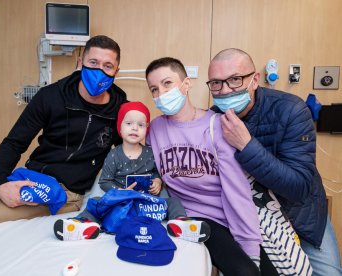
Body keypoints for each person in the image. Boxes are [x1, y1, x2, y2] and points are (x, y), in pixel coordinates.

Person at [0, 35, 127, 244]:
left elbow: (129, 154)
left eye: (107, 66)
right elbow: (14, 143)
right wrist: (0, 183)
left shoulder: (120, 111)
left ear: (116, 72)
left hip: (63, 195)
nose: (99, 72)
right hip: (30, 179)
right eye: (93, 63)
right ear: (80, 63)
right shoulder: (51, 96)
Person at [207, 48, 342, 275]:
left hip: (299, 212)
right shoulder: (213, 119)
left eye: (235, 80)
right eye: (216, 83)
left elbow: (298, 187)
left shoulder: (291, 110)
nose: (225, 90)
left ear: (255, 80)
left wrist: (246, 145)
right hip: (249, 215)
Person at [145, 57, 263, 275]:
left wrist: (249, 246)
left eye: (167, 83)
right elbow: (148, 170)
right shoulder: (155, 129)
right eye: (154, 89)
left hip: (230, 215)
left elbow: (236, 190)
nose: (161, 93)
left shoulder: (218, 125)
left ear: (186, 84)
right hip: (195, 219)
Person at [53, 101, 210, 243]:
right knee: (95, 202)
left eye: (141, 125)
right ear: (120, 127)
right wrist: (120, 192)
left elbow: (156, 172)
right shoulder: (114, 155)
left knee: (173, 201)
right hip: (121, 202)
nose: (135, 128)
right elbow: (104, 181)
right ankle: (83, 224)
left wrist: (158, 182)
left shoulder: (150, 153)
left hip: (146, 204)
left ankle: (181, 223)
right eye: (129, 123)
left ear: (146, 130)